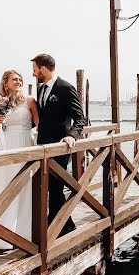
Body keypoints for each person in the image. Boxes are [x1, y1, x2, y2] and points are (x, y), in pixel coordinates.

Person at [0, 70, 39, 250]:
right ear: (6, 83)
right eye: (15, 79)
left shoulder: (29, 101)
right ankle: (1, 233)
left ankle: (24, 233)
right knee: (5, 186)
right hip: (6, 148)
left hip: (25, 144)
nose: (19, 81)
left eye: (20, 79)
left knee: (25, 188)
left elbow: (39, 124)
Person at [31, 53, 86, 235]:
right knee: (47, 187)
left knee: (56, 187)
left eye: (35, 70)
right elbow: (40, 118)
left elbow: (80, 118)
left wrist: (72, 136)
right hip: (42, 147)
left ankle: (54, 228)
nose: (33, 74)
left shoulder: (65, 88)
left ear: (43, 69)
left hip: (60, 145)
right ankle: (65, 224)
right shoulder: (40, 90)